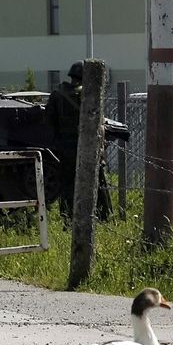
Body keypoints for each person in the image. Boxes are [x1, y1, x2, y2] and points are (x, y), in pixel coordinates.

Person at [45, 60, 112, 223]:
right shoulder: (89, 95)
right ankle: (103, 217)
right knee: (98, 180)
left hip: (64, 148)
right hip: (87, 146)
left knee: (68, 184)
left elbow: (48, 121)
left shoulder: (57, 94)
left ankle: (68, 218)